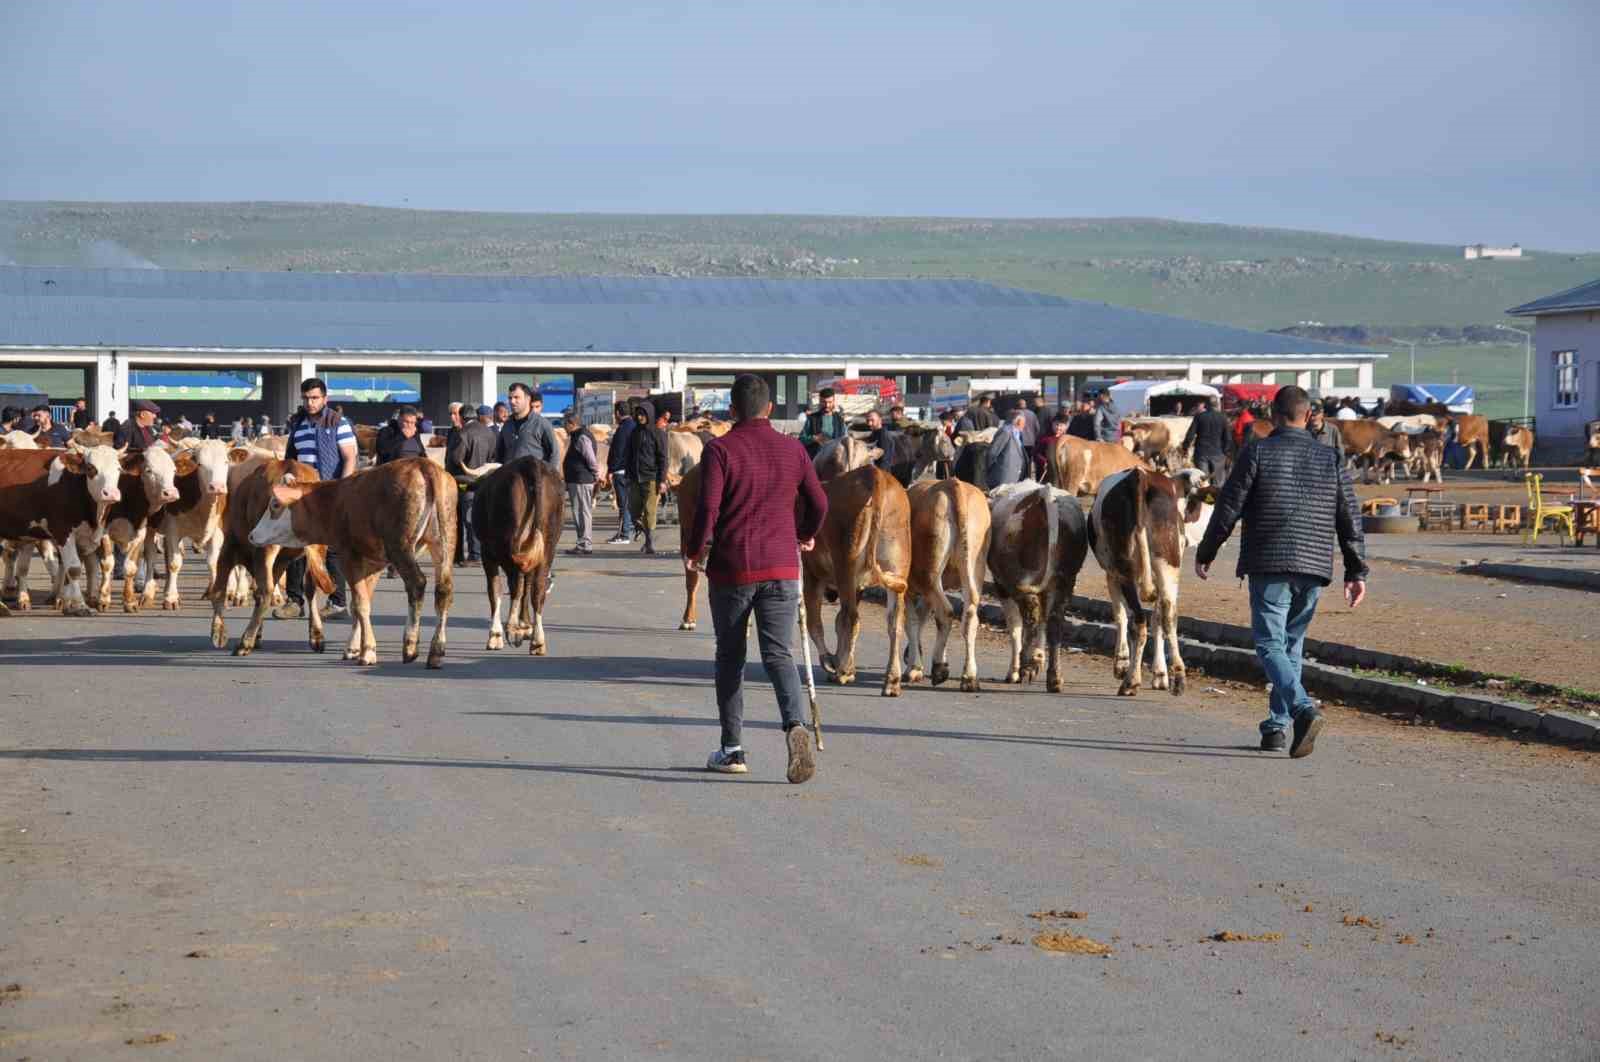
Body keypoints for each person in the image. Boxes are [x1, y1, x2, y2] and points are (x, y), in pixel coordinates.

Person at [1194, 386, 1367, 759]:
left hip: (1270, 562)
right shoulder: (1331, 458)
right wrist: (1357, 571)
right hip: (1314, 565)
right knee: (1291, 646)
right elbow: (1349, 516)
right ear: (1308, 416)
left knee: (1271, 645)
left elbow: (1229, 506)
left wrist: (1207, 551)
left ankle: (1303, 709)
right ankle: (1276, 727)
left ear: (1272, 415)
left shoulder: (1257, 451)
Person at [683, 373, 828, 781]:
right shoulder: (793, 449)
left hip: (733, 568)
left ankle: (732, 750)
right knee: (779, 654)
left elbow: (708, 511)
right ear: (769, 409)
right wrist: (805, 535)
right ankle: (795, 725)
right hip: (782, 566)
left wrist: (695, 552)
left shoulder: (720, 450)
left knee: (730, 657)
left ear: (731, 410)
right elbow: (818, 501)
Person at [275, 378, 356, 621]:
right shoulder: (298, 426)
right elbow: (291, 459)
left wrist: (343, 488)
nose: (310, 403)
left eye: (315, 398)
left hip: (330, 492)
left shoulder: (338, 422)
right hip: (301, 494)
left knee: (332, 548)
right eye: (307, 398)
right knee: (295, 545)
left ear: (324, 399)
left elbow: (350, 457)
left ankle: (338, 601)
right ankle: (294, 601)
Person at [447, 405, 498, 563]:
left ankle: (470, 555)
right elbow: (493, 455)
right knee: (479, 516)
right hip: (485, 480)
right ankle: (478, 553)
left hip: (464, 482)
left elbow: (456, 458)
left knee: (464, 518)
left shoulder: (463, 433)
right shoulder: (489, 432)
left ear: (462, 418)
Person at [624, 400, 670, 554]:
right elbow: (629, 455)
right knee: (633, 510)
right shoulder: (634, 433)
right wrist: (627, 475)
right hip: (635, 478)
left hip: (652, 478)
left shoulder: (659, 434)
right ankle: (642, 530)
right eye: (638, 414)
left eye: (643, 414)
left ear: (649, 415)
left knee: (650, 510)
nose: (639, 417)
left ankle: (650, 543)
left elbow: (663, 458)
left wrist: (662, 480)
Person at [561, 410, 601, 555]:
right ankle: (582, 542)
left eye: (565, 424)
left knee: (582, 512)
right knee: (580, 512)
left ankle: (585, 543)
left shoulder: (582, 437)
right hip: (577, 480)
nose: (564, 427)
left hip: (581, 480)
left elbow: (590, 459)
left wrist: (596, 475)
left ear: (572, 424)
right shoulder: (577, 436)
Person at [494, 383, 559, 466]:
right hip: (511, 477)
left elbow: (554, 454)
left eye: (516, 397)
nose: (512, 401)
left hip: (534, 477)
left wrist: (550, 477)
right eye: (510, 398)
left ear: (528, 399)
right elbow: (499, 455)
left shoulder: (541, 424)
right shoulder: (507, 425)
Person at [605, 400, 638, 544]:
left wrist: (611, 469)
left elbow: (617, 452)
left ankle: (624, 534)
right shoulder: (635, 426)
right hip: (633, 471)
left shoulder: (622, 429)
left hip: (621, 471)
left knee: (623, 504)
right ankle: (630, 530)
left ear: (618, 413)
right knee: (630, 503)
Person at [1181, 397, 1232, 481]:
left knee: (1203, 482)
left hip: (1201, 454)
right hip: (1218, 454)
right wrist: (1226, 452)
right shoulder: (1223, 418)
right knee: (1218, 483)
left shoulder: (1199, 417)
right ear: (1217, 404)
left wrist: (1185, 448)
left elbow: (1190, 435)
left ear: (1206, 405)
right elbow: (1228, 438)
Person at [984, 410, 1029, 487]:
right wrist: (990, 470)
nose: (1024, 425)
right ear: (1018, 422)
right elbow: (992, 453)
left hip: (1015, 478)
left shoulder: (1018, 434)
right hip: (1003, 478)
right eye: (1024, 422)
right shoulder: (1005, 432)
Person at [798, 387, 846, 456]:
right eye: (824, 402)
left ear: (834, 401)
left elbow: (845, 439)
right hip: (815, 460)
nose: (827, 405)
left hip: (836, 460)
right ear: (820, 401)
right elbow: (801, 440)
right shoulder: (812, 419)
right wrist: (814, 438)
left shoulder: (840, 420)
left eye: (830, 402)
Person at [1034, 412, 1068, 481]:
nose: (1058, 428)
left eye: (1061, 425)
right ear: (1052, 424)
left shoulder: (1067, 439)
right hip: (1045, 472)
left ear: (1065, 427)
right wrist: (1044, 462)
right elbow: (1036, 453)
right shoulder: (1045, 438)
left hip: (1061, 474)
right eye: (1056, 425)